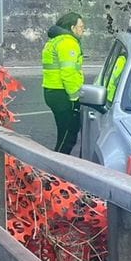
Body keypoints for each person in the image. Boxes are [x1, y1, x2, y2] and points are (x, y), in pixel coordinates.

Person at [42, 12, 85, 154]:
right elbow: (68, 73)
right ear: (72, 27)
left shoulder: (55, 41)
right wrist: (75, 98)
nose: (83, 30)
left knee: (63, 134)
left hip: (52, 91)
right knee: (68, 137)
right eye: (81, 26)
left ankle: (55, 170)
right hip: (63, 95)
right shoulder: (68, 43)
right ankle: (54, 172)